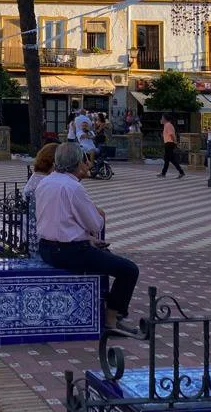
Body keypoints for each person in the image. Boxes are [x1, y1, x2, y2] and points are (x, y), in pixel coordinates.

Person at [36, 141, 139, 334]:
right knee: (128, 270)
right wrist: (95, 219)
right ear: (76, 163)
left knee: (105, 256)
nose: (87, 164)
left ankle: (104, 309)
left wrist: (85, 237)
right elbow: (95, 224)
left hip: (46, 248)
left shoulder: (46, 182)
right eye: (84, 161)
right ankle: (111, 320)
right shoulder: (73, 188)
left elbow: (57, 220)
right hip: (69, 252)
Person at [158, 114, 185, 179]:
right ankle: (181, 172)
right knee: (171, 159)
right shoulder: (167, 125)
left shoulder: (168, 125)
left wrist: (175, 142)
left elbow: (172, 135)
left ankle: (163, 173)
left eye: (162, 118)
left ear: (165, 119)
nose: (161, 119)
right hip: (169, 143)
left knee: (167, 159)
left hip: (169, 143)